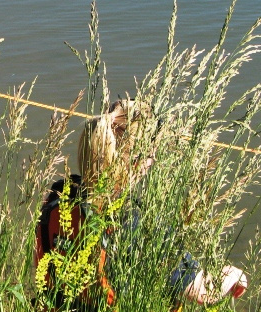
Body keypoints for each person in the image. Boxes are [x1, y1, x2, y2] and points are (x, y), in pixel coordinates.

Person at [77, 99, 247, 310]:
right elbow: (204, 293)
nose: (153, 161)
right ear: (137, 162)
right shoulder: (134, 223)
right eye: (151, 154)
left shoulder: (62, 200)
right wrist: (234, 276)